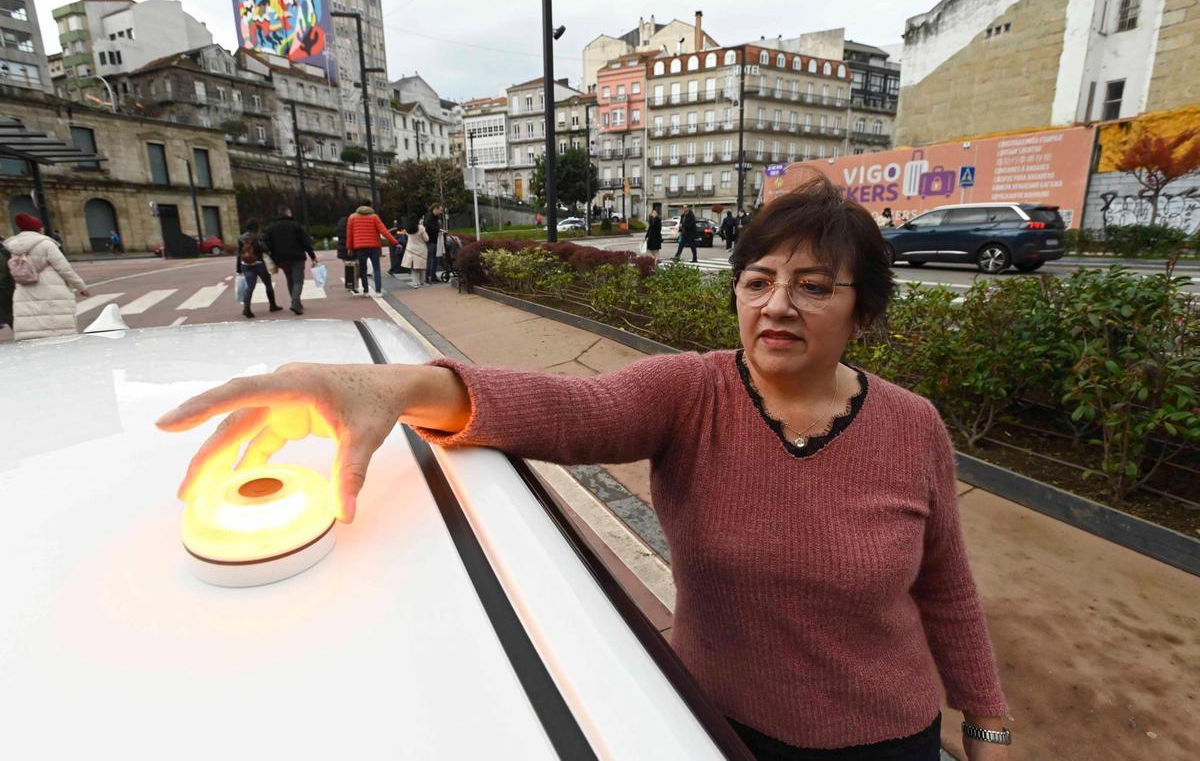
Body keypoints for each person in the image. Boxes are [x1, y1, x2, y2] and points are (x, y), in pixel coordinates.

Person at [157, 175, 1013, 761]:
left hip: (889, 740)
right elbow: (571, 411)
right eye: (757, 280)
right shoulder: (693, 393)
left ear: (863, 307)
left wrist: (988, 719)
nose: (777, 304)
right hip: (718, 723)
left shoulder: (912, 427)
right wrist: (385, 385)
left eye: (814, 286)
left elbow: (945, 587)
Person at [2, 213, 90, 340]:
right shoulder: (46, 244)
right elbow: (65, 269)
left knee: (30, 324)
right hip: (51, 290)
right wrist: (81, 287)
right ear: (38, 228)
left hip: (24, 290)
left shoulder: (11, 247)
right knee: (57, 328)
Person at [264, 207, 317, 314]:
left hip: (280, 258)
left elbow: (267, 245)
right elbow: (305, 242)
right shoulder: (295, 225)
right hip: (296, 256)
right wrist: (312, 256)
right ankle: (295, 303)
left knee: (289, 279)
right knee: (298, 280)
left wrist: (273, 257)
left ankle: (296, 302)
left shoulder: (271, 227)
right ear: (288, 214)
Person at [345, 202, 398, 298]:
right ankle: (378, 291)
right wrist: (395, 242)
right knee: (376, 269)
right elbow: (384, 231)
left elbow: (350, 235)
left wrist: (349, 248)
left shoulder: (352, 218)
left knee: (363, 270)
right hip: (374, 246)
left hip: (360, 247)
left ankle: (366, 291)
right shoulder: (374, 217)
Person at [236, 220, 282, 319]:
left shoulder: (240, 238)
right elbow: (265, 249)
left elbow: (239, 254)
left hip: (246, 265)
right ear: (256, 227)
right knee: (268, 284)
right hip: (259, 264)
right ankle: (272, 305)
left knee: (250, 287)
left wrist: (238, 269)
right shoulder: (259, 237)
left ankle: (246, 308)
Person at [400, 219, 429, 289]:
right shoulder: (421, 228)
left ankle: (415, 283)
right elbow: (426, 239)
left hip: (410, 249)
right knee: (422, 267)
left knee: (413, 268)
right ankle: (422, 282)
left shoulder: (408, 228)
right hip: (421, 250)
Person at [335, 215, 358, 293]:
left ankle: (349, 285)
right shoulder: (350, 229)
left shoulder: (339, 229)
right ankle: (353, 285)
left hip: (342, 251)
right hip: (351, 250)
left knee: (348, 267)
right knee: (354, 267)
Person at [423, 203, 443, 284]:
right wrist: (438, 230)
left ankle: (433, 276)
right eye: (440, 210)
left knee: (435, 259)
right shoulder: (429, 216)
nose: (441, 212)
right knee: (430, 259)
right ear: (435, 208)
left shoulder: (435, 217)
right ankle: (427, 277)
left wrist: (439, 230)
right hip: (430, 241)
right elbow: (428, 225)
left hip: (435, 240)